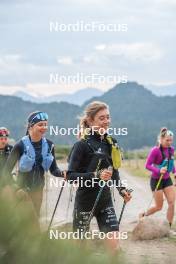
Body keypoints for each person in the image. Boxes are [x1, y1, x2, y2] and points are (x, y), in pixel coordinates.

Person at [67, 101, 132, 252]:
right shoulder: (81, 145)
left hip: (105, 201)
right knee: (80, 251)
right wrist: (96, 175)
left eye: (108, 117)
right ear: (90, 121)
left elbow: (114, 171)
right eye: (101, 118)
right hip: (85, 202)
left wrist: (122, 190)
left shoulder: (111, 142)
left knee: (114, 246)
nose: (106, 121)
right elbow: (70, 176)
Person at [2, 111, 65, 216]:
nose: (44, 127)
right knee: (25, 223)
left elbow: (54, 170)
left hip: (38, 192)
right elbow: (6, 171)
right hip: (22, 192)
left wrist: (64, 173)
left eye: (45, 125)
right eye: (40, 125)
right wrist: (16, 188)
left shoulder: (50, 145)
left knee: (35, 222)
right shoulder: (20, 145)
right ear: (30, 126)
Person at [140, 127, 176, 227]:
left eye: (171, 140)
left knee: (172, 203)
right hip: (156, 180)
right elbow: (147, 165)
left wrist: (175, 172)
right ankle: (143, 214)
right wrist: (158, 170)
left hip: (167, 179)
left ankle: (168, 226)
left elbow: (171, 163)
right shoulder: (155, 150)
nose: (169, 142)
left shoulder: (171, 150)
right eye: (167, 140)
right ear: (161, 139)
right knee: (159, 207)